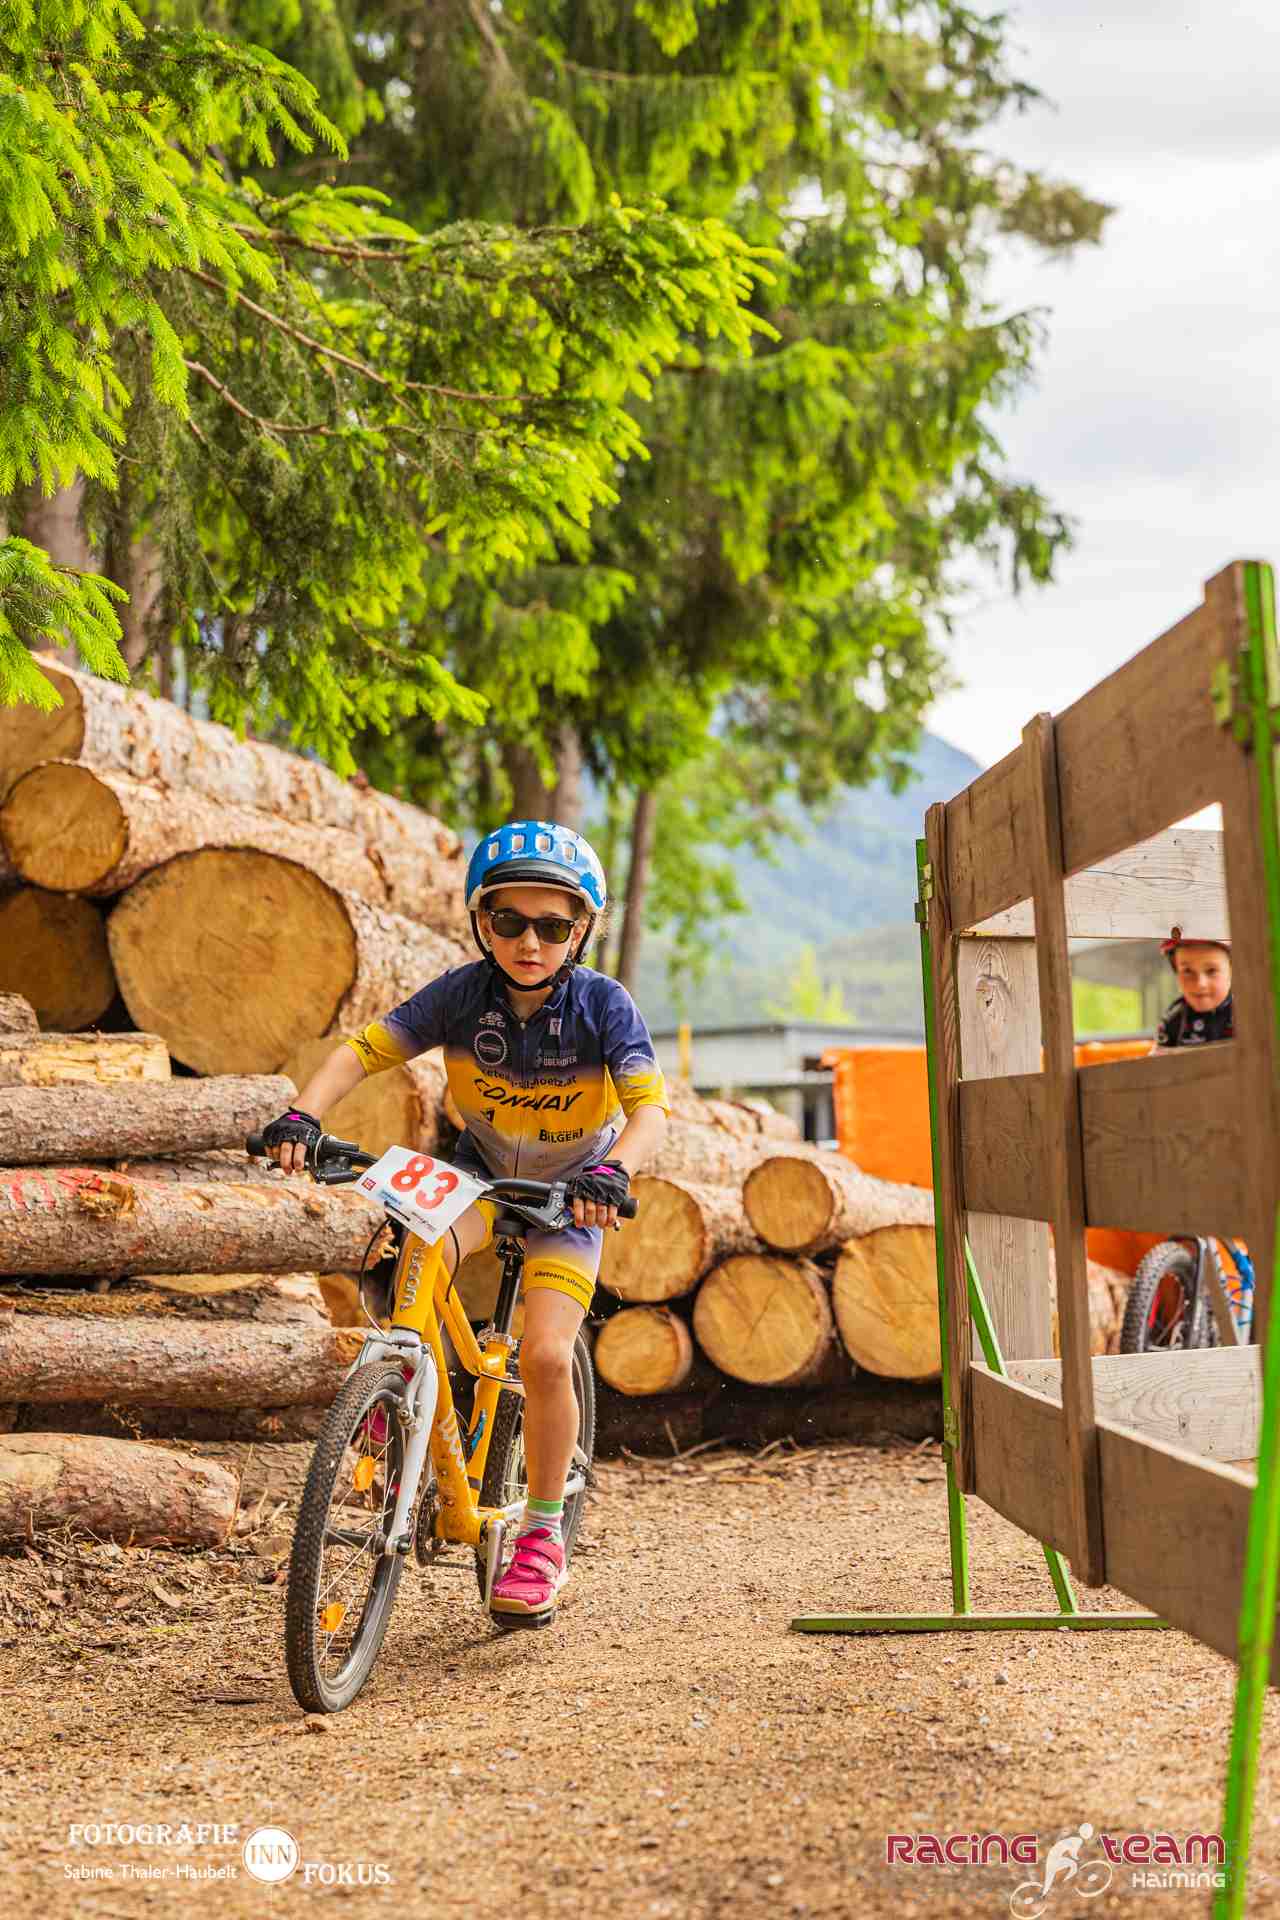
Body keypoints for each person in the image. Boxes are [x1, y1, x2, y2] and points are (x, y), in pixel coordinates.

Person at [260, 821, 669, 1625]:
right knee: (418, 1266)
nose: (529, 942)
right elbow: (362, 1051)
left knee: (545, 1355)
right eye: (509, 921)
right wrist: (301, 1115)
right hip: (479, 1175)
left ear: (581, 930)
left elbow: (649, 1109)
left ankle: (541, 1533)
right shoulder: (460, 995)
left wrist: (614, 1170)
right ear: (483, 922)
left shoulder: (603, 1005)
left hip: (569, 1197)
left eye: (553, 925)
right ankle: (405, 1408)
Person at [1153, 925, 1232, 1049]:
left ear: (1232, 971)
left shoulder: (1250, 1014)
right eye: (1187, 971)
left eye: (1211, 970)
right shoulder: (1173, 1019)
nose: (1200, 984)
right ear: (1176, 971)